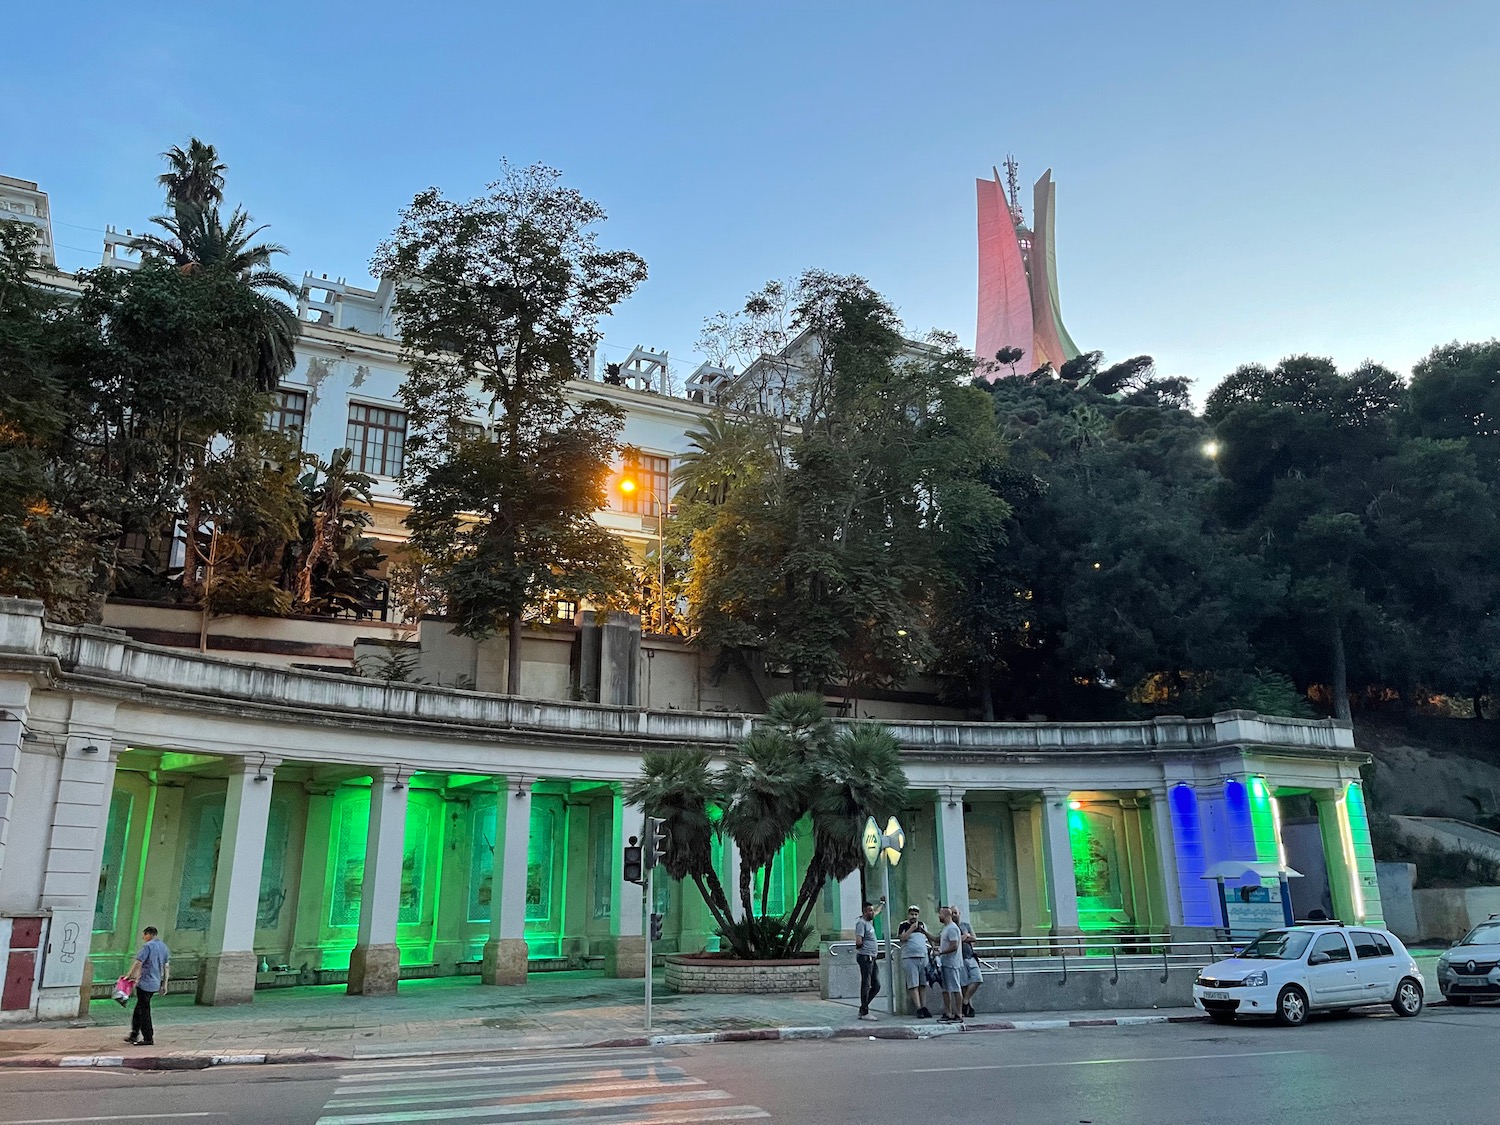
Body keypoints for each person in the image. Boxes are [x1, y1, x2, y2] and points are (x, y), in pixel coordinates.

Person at [124, 926, 170, 1047]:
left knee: (144, 1010)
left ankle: (148, 1037)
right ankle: (134, 1033)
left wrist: (129, 976)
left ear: (149, 934)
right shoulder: (164, 947)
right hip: (155, 982)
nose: (143, 938)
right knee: (139, 1008)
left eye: (144, 935)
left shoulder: (147, 946)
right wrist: (164, 984)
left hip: (145, 982)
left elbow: (139, 962)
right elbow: (166, 967)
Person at [897, 906, 934, 1018]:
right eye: (912, 914)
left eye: (916, 915)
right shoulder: (903, 925)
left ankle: (924, 1007)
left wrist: (934, 947)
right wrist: (911, 929)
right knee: (913, 983)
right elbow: (902, 938)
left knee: (923, 983)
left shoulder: (922, 925)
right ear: (908, 914)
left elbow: (928, 937)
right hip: (909, 957)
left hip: (923, 957)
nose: (914, 916)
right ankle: (918, 1008)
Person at [854, 897, 885, 1021]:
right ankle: (865, 1011)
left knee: (876, 985)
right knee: (866, 984)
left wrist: (882, 904)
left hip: (872, 957)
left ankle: (863, 1007)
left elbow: (877, 911)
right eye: (869, 911)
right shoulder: (861, 923)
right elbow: (858, 941)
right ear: (864, 912)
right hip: (866, 957)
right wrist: (864, 947)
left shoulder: (869, 922)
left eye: (872, 910)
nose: (872, 912)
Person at [951, 904, 983, 1018]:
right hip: (960, 958)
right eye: (952, 913)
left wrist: (966, 937)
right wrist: (964, 937)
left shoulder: (966, 925)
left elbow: (974, 938)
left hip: (970, 956)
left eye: (956, 913)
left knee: (977, 979)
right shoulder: (951, 928)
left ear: (959, 913)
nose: (954, 915)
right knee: (964, 985)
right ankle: (969, 1008)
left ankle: (965, 1002)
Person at [935, 905, 964, 1023]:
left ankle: (959, 1013)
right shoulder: (946, 928)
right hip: (945, 963)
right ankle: (948, 1012)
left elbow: (954, 945)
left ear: (946, 915)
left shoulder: (952, 928)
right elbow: (938, 940)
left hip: (952, 963)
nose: (939, 916)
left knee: (955, 988)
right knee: (946, 989)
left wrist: (941, 952)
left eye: (940, 914)